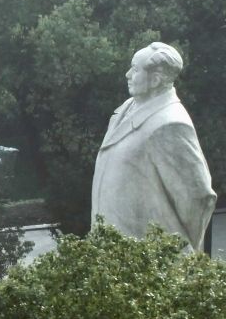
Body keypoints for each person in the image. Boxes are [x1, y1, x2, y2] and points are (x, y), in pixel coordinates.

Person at [90, 42, 217, 252]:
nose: (127, 74)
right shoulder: (127, 108)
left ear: (156, 79)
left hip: (147, 256)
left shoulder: (170, 124)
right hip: (112, 250)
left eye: (135, 69)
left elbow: (197, 197)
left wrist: (178, 248)